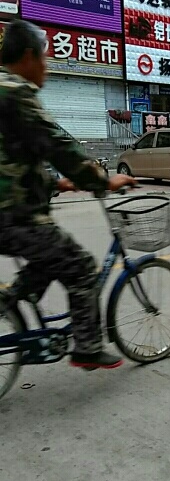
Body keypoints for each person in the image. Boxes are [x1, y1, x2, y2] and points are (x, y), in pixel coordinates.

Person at [0, 20, 136, 370]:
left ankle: (11, 304)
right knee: (81, 266)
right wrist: (102, 181)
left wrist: (54, 184)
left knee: (47, 257)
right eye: (44, 58)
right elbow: (58, 147)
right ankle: (88, 348)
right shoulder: (15, 93)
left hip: (9, 212)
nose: (46, 66)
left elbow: (14, 159)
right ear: (29, 56)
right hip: (14, 217)